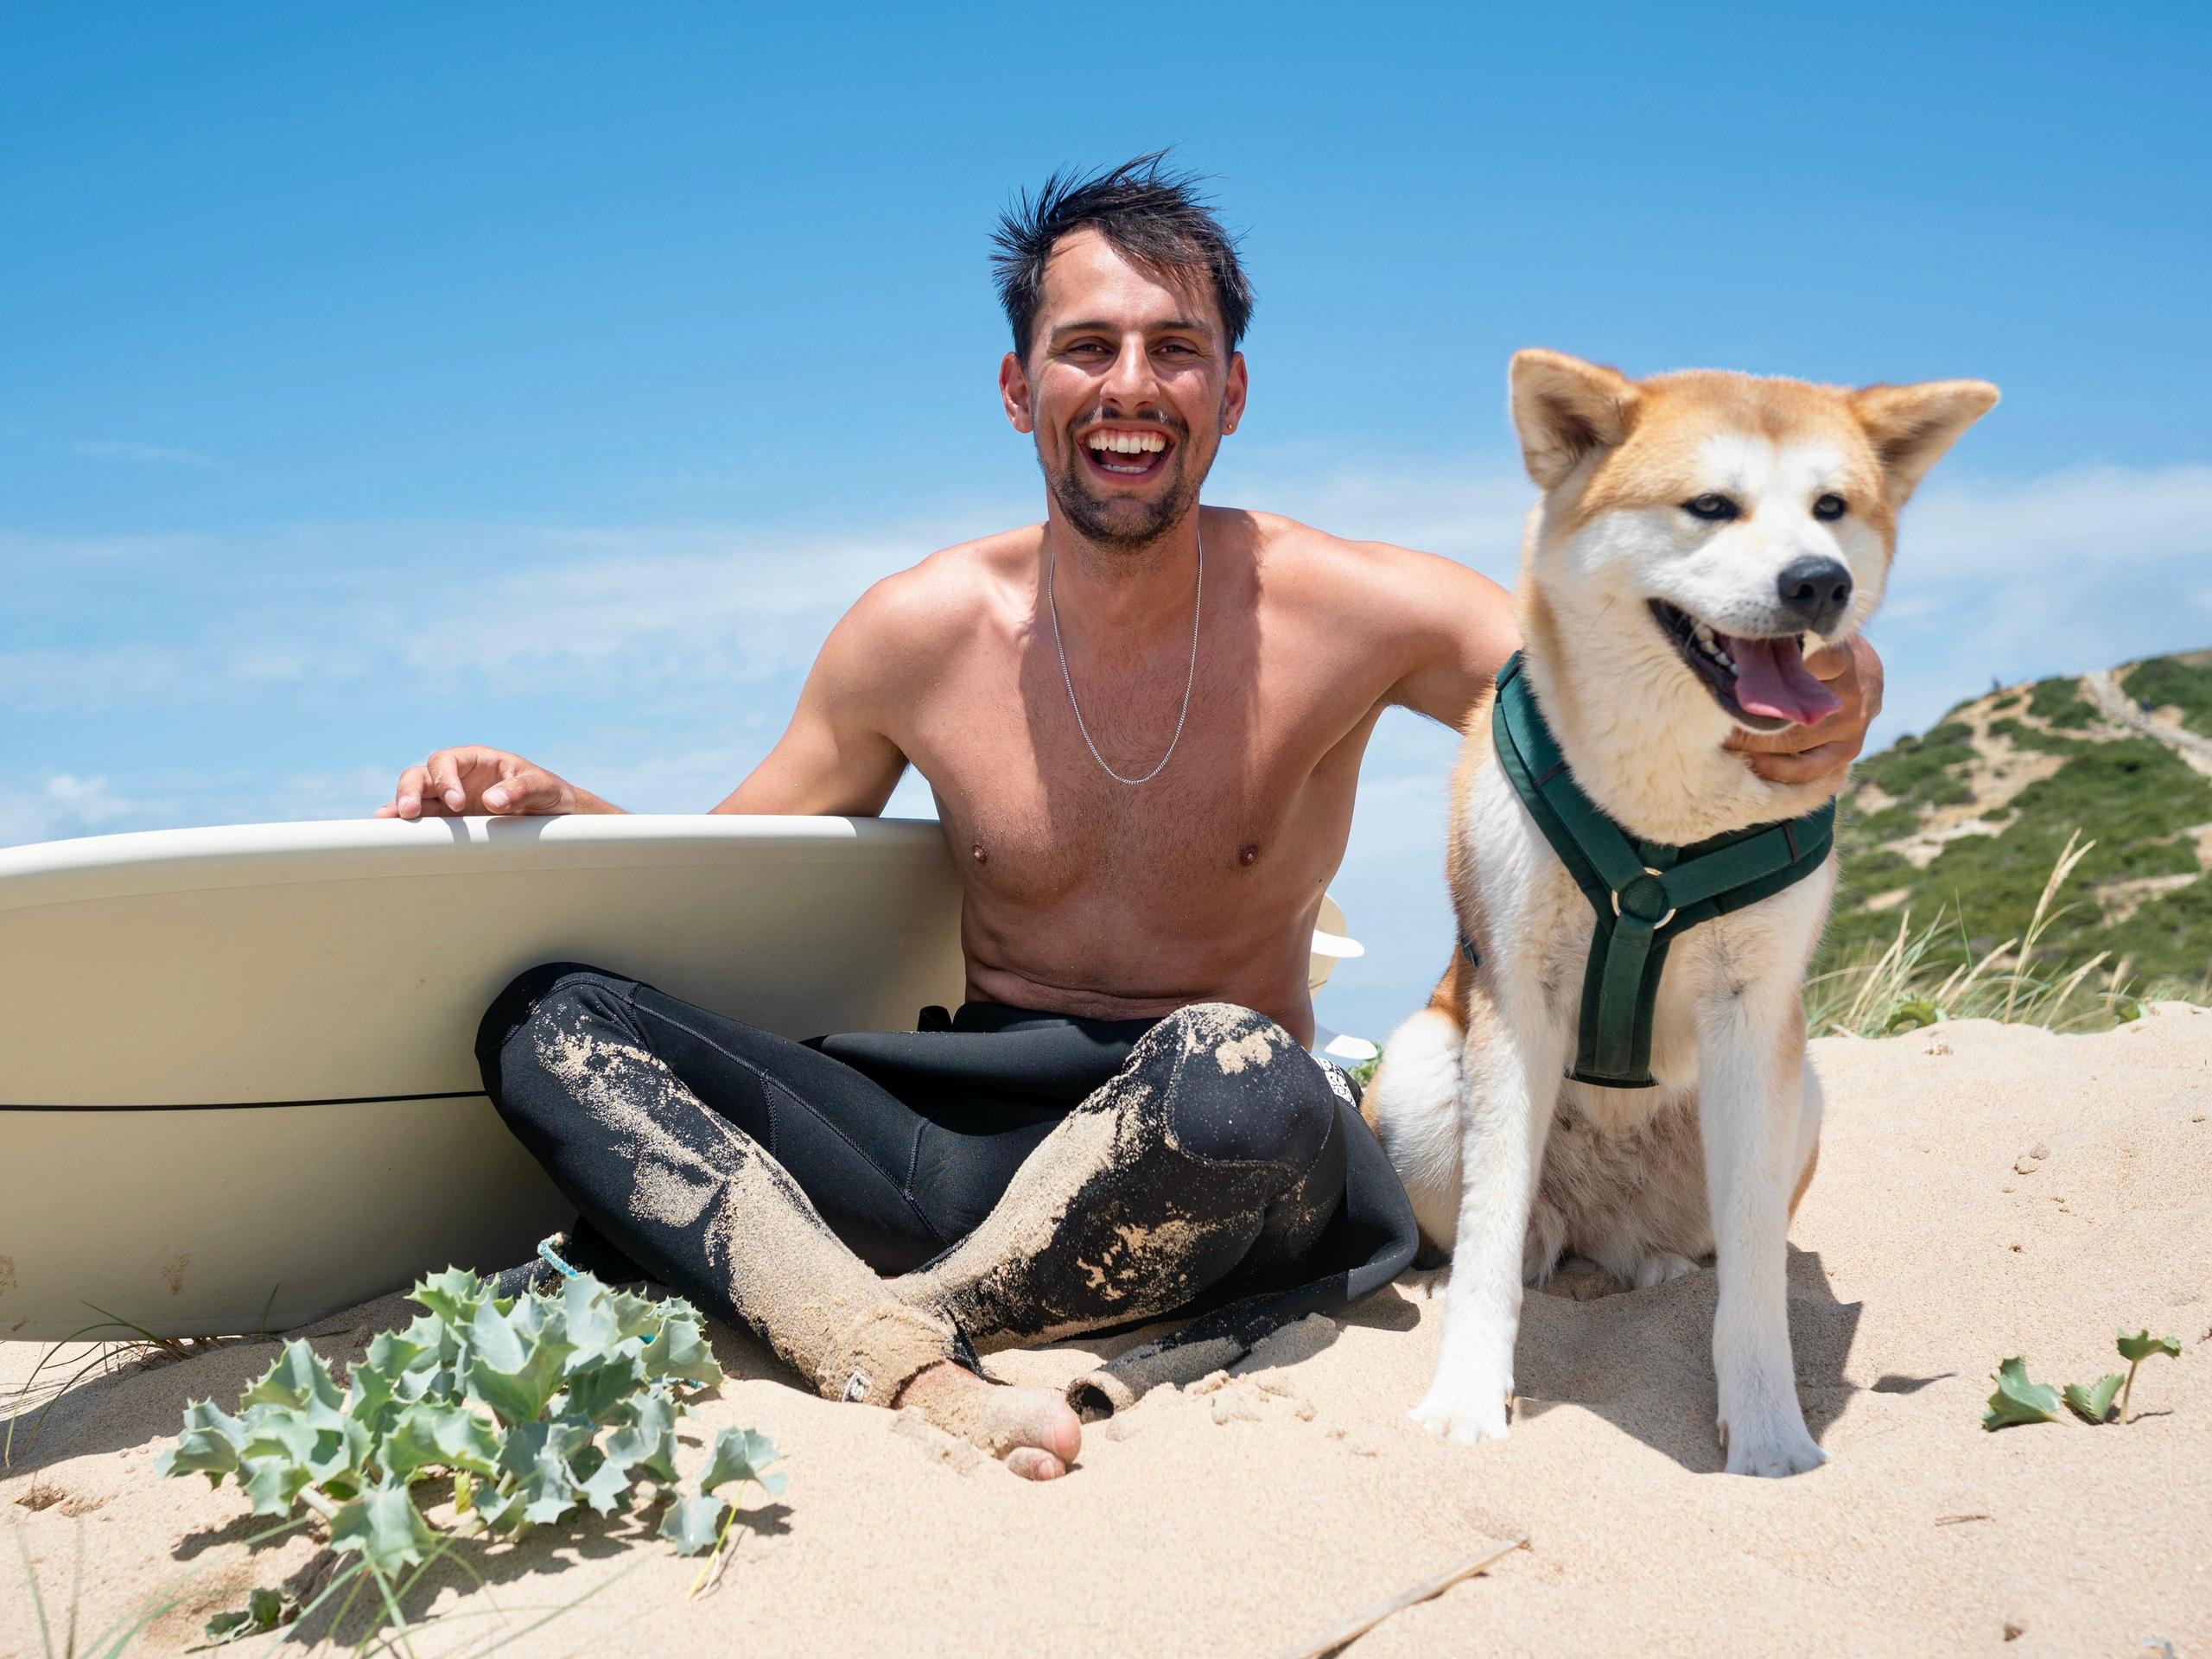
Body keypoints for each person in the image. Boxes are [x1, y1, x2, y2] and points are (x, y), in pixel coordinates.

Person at [375, 155, 1881, 1480]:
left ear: (1231, 391)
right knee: (551, 1020)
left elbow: (1621, 666)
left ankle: (824, 1306)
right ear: (1022, 387)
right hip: (976, 1135)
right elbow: (727, 877)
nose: (1131, 386)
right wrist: (563, 807)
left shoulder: (1357, 608)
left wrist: (1825, 677)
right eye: (1086, 347)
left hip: (1230, 1139)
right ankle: (914, 1342)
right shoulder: (917, 630)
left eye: (1177, 349)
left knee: (1241, 1072)